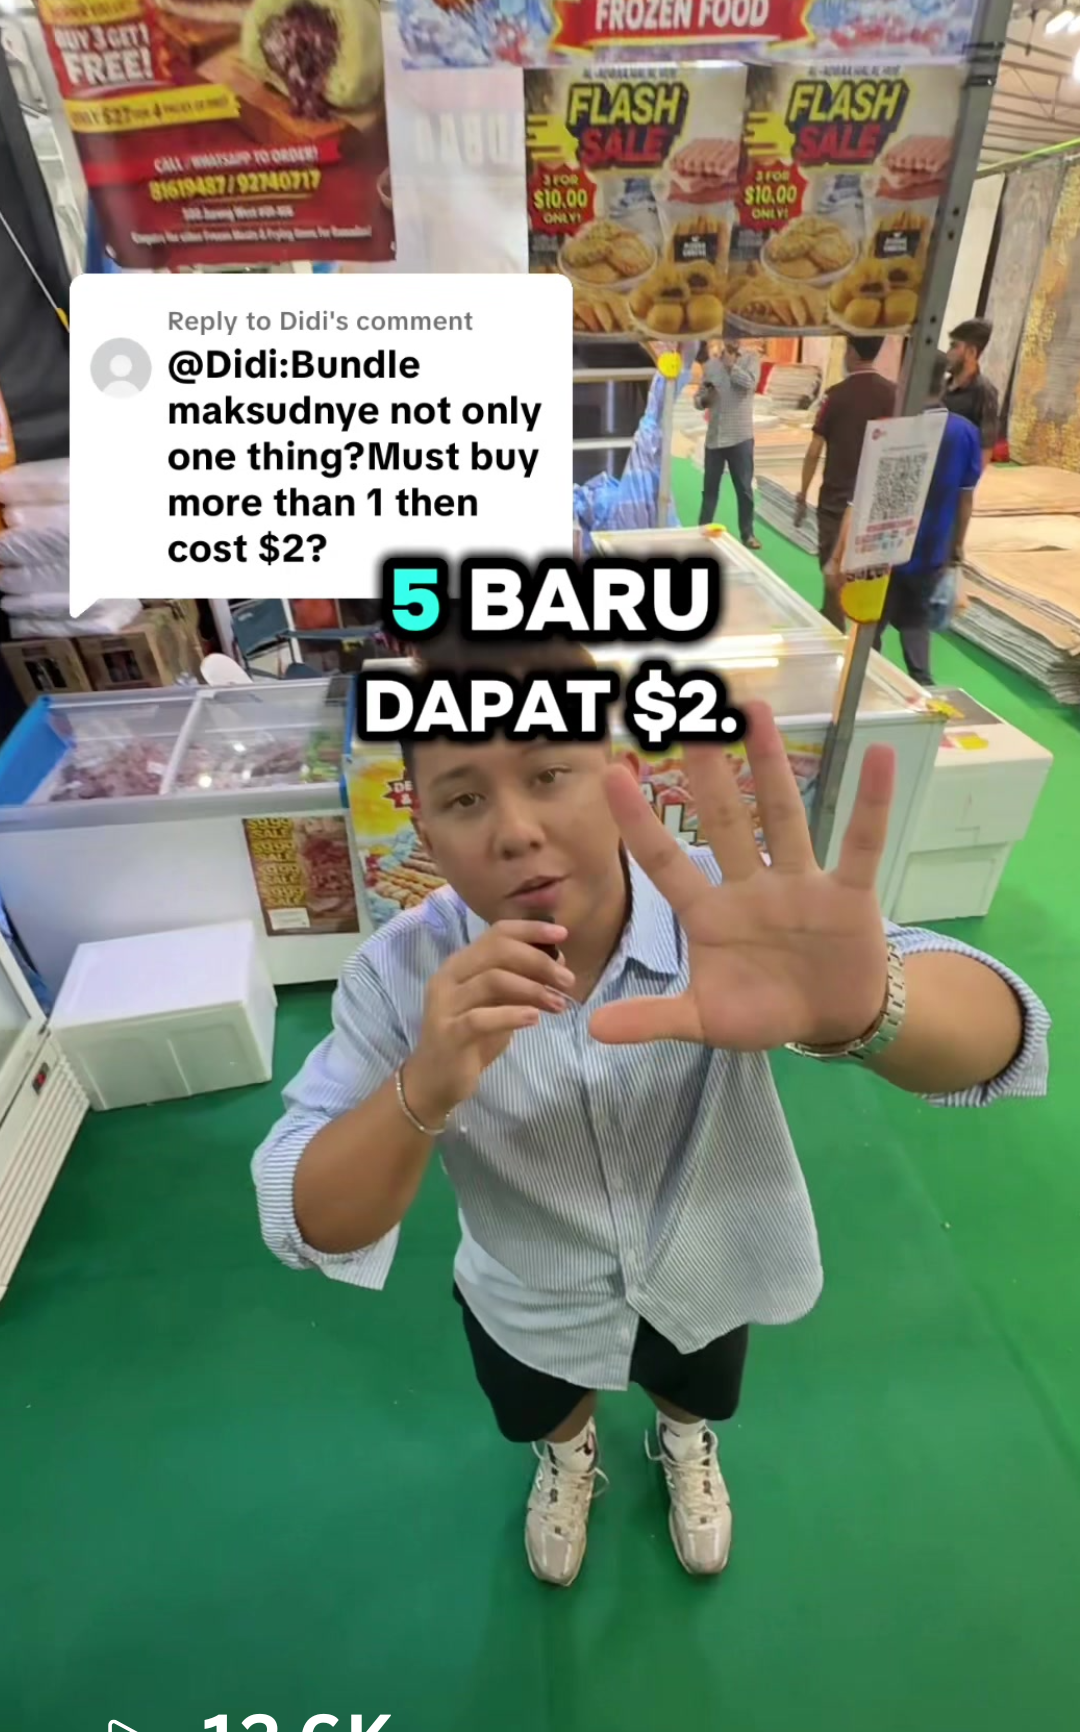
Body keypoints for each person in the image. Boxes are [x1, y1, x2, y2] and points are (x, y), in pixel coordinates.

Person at [253, 633, 1049, 1590]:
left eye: (549, 773)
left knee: (694, 1387)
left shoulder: (729, 910)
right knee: (546, 1402)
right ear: (424, 828)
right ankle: (568, 1458)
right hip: (527, 1290)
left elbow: (1003, 1034)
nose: (512, 830)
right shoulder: (400, 975)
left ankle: (684, 1443)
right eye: (466, 797)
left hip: (709, 1260)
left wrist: (868, 1006)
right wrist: (422, 1086)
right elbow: (311, 1216)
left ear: (621, 777)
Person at [829, 353, 982, 689]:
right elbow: (965, 500)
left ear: (907, 381)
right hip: (931, 553)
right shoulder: (966, 433)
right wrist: (955, 548)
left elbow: (864, 500)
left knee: (869, 634)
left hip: (885, 553)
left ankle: (865, 693)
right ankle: (921, 693)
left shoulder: (894, 431)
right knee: (916, 633)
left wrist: (841, 555)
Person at [795, 335, 896, 631]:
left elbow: (814, 450)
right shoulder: (893, 395)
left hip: (836, 503)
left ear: (851, 351)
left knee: (832, 574)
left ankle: (833, 635)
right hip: (874, 507)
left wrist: (802, 493)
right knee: (868, 578)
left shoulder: (835, 396)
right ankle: (865, 645)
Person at [695, 337, 762, 549]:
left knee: (744, 489)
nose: (732, 338)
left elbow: (750, 385)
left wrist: (731, 365)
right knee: (710, 490)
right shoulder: (712, 365)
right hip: (715, 438)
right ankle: (702, 531)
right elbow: (698, 400)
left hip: (740, 437)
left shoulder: (751, 360)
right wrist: (705, 398)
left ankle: (748, 533)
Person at [945, 317, 1000, 469]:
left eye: (954, 346)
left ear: (971, 352)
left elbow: (986, 445)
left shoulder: (985, 392)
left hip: (957, 475)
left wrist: (970, 485)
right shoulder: (942, 386)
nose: (948, 353)